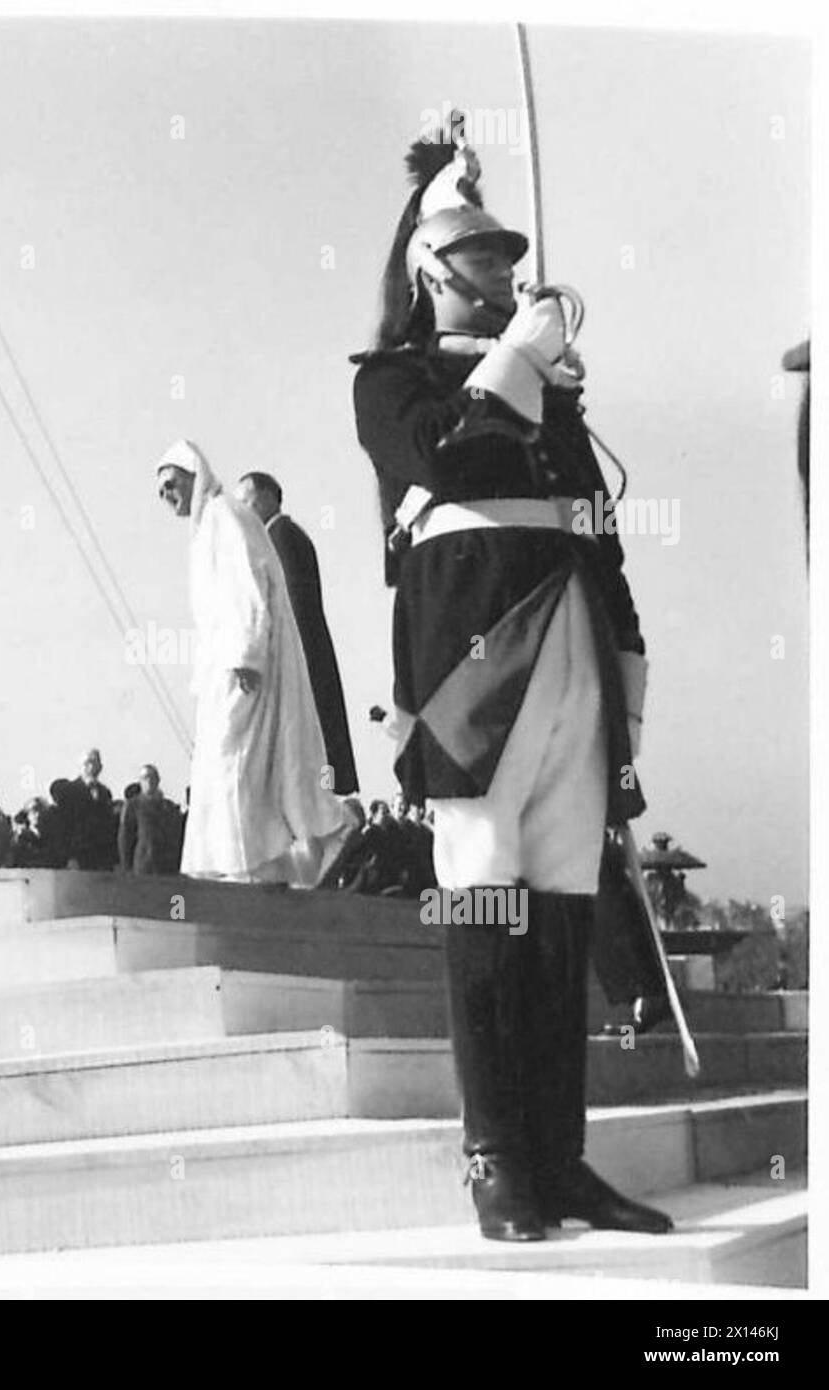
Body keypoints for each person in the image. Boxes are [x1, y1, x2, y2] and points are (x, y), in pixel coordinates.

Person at [350, 122, 670, 1241]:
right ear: (433, 270)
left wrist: (624, 683)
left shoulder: (554, 398)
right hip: (476, 671)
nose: (507, 274)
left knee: (564, 916)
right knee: (485, 904)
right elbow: (441, 456)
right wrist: (518, 363)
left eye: (507, 260)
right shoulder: (388, 384)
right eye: (485, 258)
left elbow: (598, 533)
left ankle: (558, 1157)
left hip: (573, 650)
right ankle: (494, 1158)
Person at [154, 438, 359, 885]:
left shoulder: (226, 514)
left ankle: (257, 861)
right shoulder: (206, 527)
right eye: (161, 491)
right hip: (222, 669)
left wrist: (246, 654)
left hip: (244, 666)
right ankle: (261, 867)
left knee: (237, 762)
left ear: (194, 474)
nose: (167, 495)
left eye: (171, 483)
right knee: (230, 766)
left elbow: (249, 584)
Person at [234, 473, 358, 795]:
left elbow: (294, 609)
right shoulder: (288, 536)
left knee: (310, 751)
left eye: (246, 502)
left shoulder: (281, 538)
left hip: (300, 660)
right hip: (308, 657)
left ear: (264, 498)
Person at [117, 764, 183, 875]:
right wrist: (126, 867)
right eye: (145, 778)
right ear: (140, 782)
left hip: (166, 867)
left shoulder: (169, 807)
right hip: (142, 867)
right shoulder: (133, 805)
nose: (149, 781)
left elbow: (176, 836)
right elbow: (125, 838)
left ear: (158, 780)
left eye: (152, 777)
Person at [60, 749, 118, 869]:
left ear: (100, 767)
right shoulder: (69, 791)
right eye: (87, 763)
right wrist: (70, 856)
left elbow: (109, 825)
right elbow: (65, 826)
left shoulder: (105, 792)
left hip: (101, 856)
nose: (90, 767)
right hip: (79, 855)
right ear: (80, 766)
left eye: (94, 762)